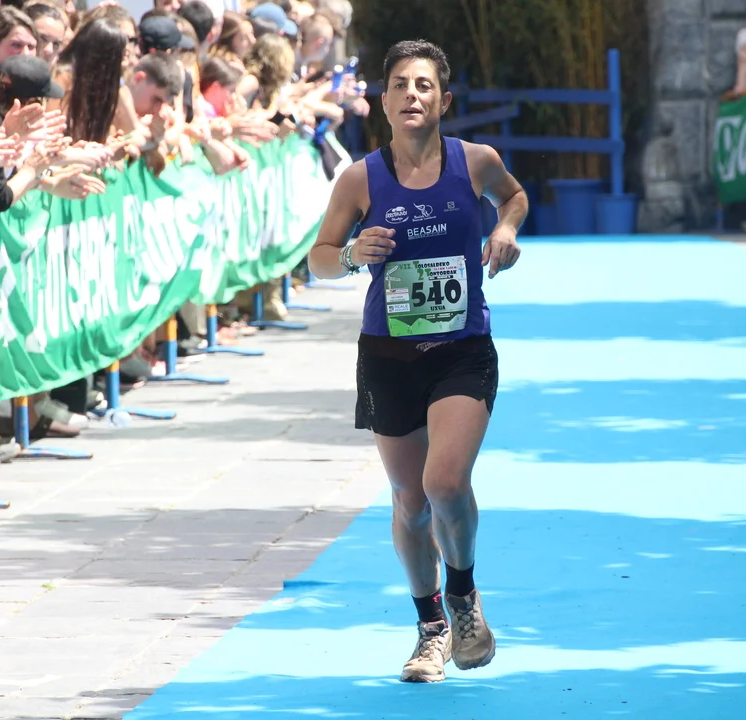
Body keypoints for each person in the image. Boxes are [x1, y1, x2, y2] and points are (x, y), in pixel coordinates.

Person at [307, 39, 526, 684]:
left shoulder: (476, 161)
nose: (411, 94)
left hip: (461, 349)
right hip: (388, 355)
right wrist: (353, 254)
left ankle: (462, 595)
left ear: (444, 100)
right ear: (383, 101)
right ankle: (430, 628)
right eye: (400, 83)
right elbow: (318, 258)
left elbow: (514, 197)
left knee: (445, 484)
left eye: (424, 84)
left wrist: (505, 228)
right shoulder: (360, 179)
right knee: (409, 500)